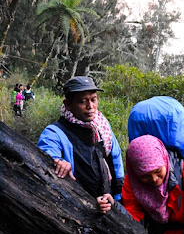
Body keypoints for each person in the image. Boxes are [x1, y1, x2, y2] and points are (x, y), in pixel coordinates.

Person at [37, 76, 125, 213]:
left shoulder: (102, 127)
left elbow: (116, 159)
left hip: (108, 202)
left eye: (93, 100)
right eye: (83, 102)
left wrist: (118, 197)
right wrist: (57, 161)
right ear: (68, 104)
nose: (90, 106)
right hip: (76, 208)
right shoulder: (55, 132)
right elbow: (45, 154)